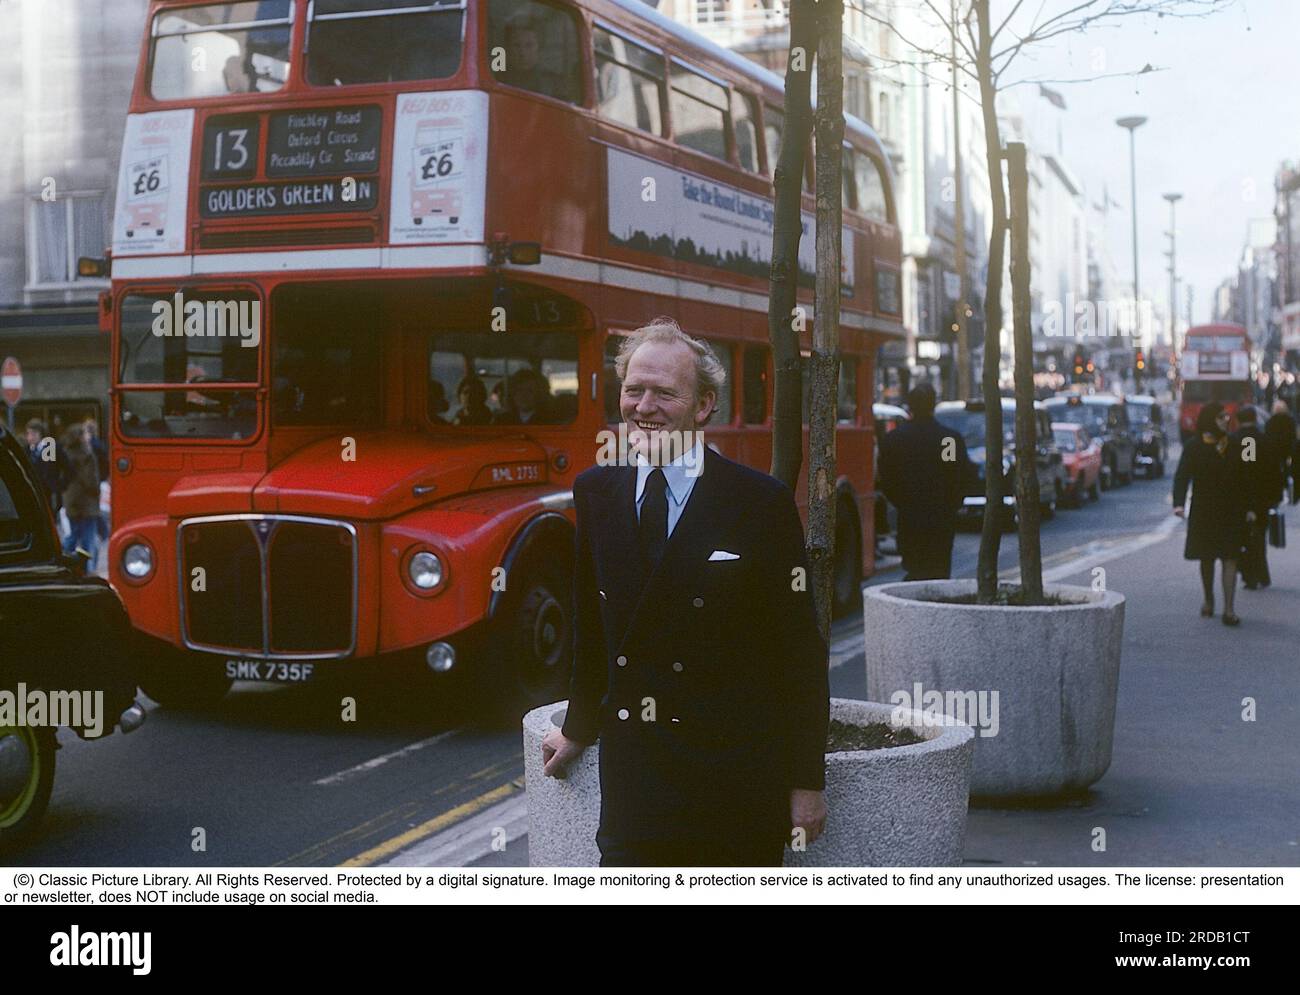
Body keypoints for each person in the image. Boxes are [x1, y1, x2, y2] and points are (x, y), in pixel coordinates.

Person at [540, 317, 829, 867]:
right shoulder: (596, 492)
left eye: (664, 393)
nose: (643, 406)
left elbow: (798, 651)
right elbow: (592, 632)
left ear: (703, 406)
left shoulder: (759, 503)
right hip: (635, 785)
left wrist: (805, 782)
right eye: (633, 389)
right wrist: (578, 728)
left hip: (734, 783)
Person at [877, 383, 973, 581]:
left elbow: (886, 478)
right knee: (938, 570)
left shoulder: (895, 439)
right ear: (933, 405)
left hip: (910, 514)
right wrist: (952, 504)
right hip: (941, 516)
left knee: (915, 568)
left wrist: (902, 502)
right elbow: (957, 475)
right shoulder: (947, 439)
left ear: (909, 406)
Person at [1173, 403, 1250, 626]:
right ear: (1209, 420)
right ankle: (1209, 599)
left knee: (1230, 557)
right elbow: (1182, 476)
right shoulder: (1193, 446)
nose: (1226, 420)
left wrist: (1252, 507)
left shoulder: (1238, 444)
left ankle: (1229, 609)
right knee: (1206, 558)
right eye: (1220, 417)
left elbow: (1249, 477)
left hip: (1231, 510)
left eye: (1226, 416)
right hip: (1204, 510)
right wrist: (1178, 503)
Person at [1233, 406, 1275, 589]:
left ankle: (1249, 574)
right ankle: (1262, 573)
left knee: (1242, 537)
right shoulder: (1264, 440)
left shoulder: (1233, 440)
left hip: (1240, 496)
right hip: (1262, 495)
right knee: (1259, 535)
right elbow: (1274, 469)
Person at [497, 15, 576, 102]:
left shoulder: (554, 84)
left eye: (529, 45)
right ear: (508, 48)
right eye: (516, 45)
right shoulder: (500, 79)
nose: (522, 52)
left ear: (539, 47)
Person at [59, 422, 103, 565]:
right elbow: (90, 480)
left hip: (71, 500)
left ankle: (62, 559)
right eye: (85, 433)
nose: (88, 436)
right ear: (80, 437)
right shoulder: (87, 455)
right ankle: (89, 568)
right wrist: (96, 491)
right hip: (87, 502)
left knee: (74, 534)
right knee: (88, 538)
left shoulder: (65, 453)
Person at [1265, 400, 1297, 506]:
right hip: (1287, 450)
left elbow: (1267, 436)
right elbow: (1293, 437)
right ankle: (1289, 493)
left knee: (1277, 472)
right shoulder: (1290, 420)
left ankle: (1280, 494)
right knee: (1288, 471)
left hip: (1274, 452)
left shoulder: (1270, 421)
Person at [23, 419, 60, 511]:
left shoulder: (50, 447)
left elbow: (66, 468)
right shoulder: (26, 449)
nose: (30, 437)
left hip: (48, 493)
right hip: (32, 492)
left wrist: (58, 485)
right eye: (28, 434)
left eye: (33, 434)